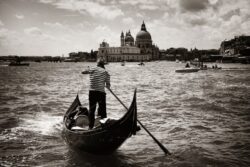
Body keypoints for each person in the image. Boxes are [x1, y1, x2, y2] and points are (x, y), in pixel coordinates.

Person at [88, 58, 110, 129]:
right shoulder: (105, 71)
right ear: (103, 64)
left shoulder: (92, 69)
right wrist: (107, 85)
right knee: (103, 110)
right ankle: (104, 126)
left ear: (97, 64)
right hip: (101, 93)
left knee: (92, 110)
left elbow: (83, 72)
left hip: (92, 92)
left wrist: (89, 70)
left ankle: (90, 127)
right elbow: (108, 85)